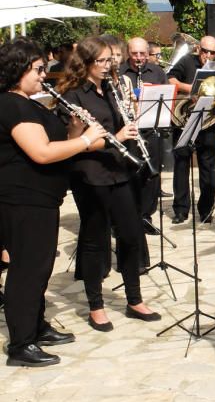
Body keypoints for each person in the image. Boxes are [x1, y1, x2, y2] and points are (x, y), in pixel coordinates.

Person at [0, 39, 106, 366]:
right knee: (26, 269)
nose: (44, 74)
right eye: (38, 69)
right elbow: (41, 152)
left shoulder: (30, 103)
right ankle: (21, 343)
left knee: (41, 266)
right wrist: (87, 140)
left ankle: (36, 325)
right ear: (17, 70)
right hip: (22, 199)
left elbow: (56, 145)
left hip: (41, 199)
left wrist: (75, 132)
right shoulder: (10, 104)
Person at [57, 37, 161, 332]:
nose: (107, 66)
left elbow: (119, 130)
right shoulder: (73, 95)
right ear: (86, 63)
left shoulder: (112, 89)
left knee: (130, 235)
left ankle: (134, 299)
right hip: (90, 174)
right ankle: (96, 306)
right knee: (94, 241)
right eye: (101, 61)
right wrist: (118, 133)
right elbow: (76, 143)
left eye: (109, 61)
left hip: (119, 170)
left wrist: (129, 124)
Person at [167, 35, 215, 224]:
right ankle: (181, 210)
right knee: (181, 165)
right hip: (183, 120)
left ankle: (206, 209)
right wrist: (190, 89)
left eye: (212, 52)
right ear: (198, 48)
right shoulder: (186, 61)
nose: (208, 55)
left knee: (208, 168)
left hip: (208, 121)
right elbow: (170, 78)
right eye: (205, 51)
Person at [120, 37, 168, 234]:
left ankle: (146, 215)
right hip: (128, 129)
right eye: (134, 54)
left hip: (151, 128)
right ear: (128, 53)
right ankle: (128, 216)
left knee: (152, 173)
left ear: (148, 54)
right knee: (130, 174)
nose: (138, 58)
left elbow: (166, 95)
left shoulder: (157, 71)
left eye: (142, 54)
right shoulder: (121, 72)